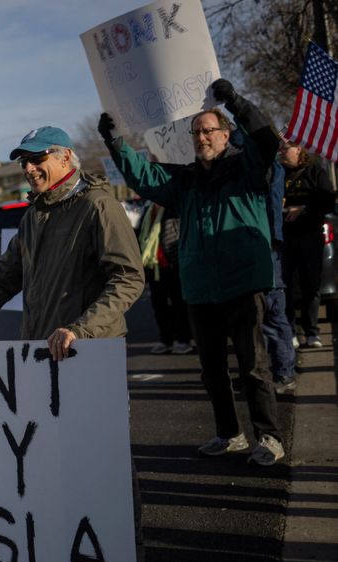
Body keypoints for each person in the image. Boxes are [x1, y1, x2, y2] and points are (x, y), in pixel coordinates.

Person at [0, 126, 145, 562]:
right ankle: (69, 543)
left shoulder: (97, 206)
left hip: (89, 354)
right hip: (40, 358)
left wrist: (82, 328)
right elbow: (2, 279)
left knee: (103, 458)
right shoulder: (33, 216)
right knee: (51, 454)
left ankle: (126, 552)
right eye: (25, 162)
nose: (30, 169)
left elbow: (128, 277)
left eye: (38, 159)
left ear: (66, 157)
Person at [99, 78, 286, 466]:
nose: (201, 137)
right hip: (200, 289)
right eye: (196, 131)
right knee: (213, 370)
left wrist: (235, 101)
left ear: (225, 134)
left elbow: (266, 139)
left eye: (208, 130)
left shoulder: (247, 169)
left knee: (253, 368)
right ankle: (230, 434)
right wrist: (114, 140)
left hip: (242, 283)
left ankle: (269, 437)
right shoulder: (185, 179)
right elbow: (143, 176)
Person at [279, 139, 336, 349]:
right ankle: (290, 332)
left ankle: (312, 332)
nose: (282, 152)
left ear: (299, 148)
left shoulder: (315, 172)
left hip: (310, 237)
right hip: (285, 238)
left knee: (311, 285)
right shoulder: (278, 174)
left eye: (286, 148)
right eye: (280, 149)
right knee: (285, 285)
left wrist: (303, 209)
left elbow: (328, 200)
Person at [138, 200, 193, 355]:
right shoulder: (148, 210)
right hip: (154, 265)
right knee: (159, 305)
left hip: (173, 264)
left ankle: (183, 340)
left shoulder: (172, 207)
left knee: (178, 303)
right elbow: (141, 232)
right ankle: (165, 339)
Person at [262, 159, 297, 392]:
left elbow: (272, 204)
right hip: (261, 243)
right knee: (265, 314)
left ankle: (284, 371)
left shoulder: (270, 166)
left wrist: (273, 239)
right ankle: (275, 371)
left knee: (273, 311)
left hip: (266, 245)